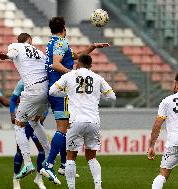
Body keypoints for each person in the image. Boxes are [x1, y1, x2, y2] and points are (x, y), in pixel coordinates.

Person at [41, 16, 110, 184]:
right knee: (63, 129)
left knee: (67, 128)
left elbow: (76, 56)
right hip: (62, 91)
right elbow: (57, 64)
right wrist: (72, 75)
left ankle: (64, 164)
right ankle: (49, 164)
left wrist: (92, 47)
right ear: (64, 28)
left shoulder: (53, 43)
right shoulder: (60, 43)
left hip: (55, 88)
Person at [49, 54, 116, 189]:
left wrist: (68, 94)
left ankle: (72, 187)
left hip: (76, 121)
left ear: (77, 63)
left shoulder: (70, 75)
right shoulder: (98, 78)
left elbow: (52, 91)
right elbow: (112, 97)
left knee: (71, 155)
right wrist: (96, 96)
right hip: (93, 122)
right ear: (91, 65)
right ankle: (98, 186)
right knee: (92, 156)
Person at [0, 33, 50, 179]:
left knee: (19, 125)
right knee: (35, 121)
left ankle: (27, 163)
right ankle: (49, 154)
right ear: (30, 41)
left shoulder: (15, 46)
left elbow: (12, 54)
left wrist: (5, 56)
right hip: (46, 91)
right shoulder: (39, 52)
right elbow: (49, 67)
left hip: (32, 90)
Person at [10, 79, 46, 189]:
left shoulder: (46, 81)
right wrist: (12, 114)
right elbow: (13, 100)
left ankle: (38, 179)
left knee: (42, 150)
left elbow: (46, 103)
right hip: (24, 120)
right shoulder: (23, 81)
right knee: (20, 151)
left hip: (35, 122)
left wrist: (43, 114)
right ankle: (16, 179)